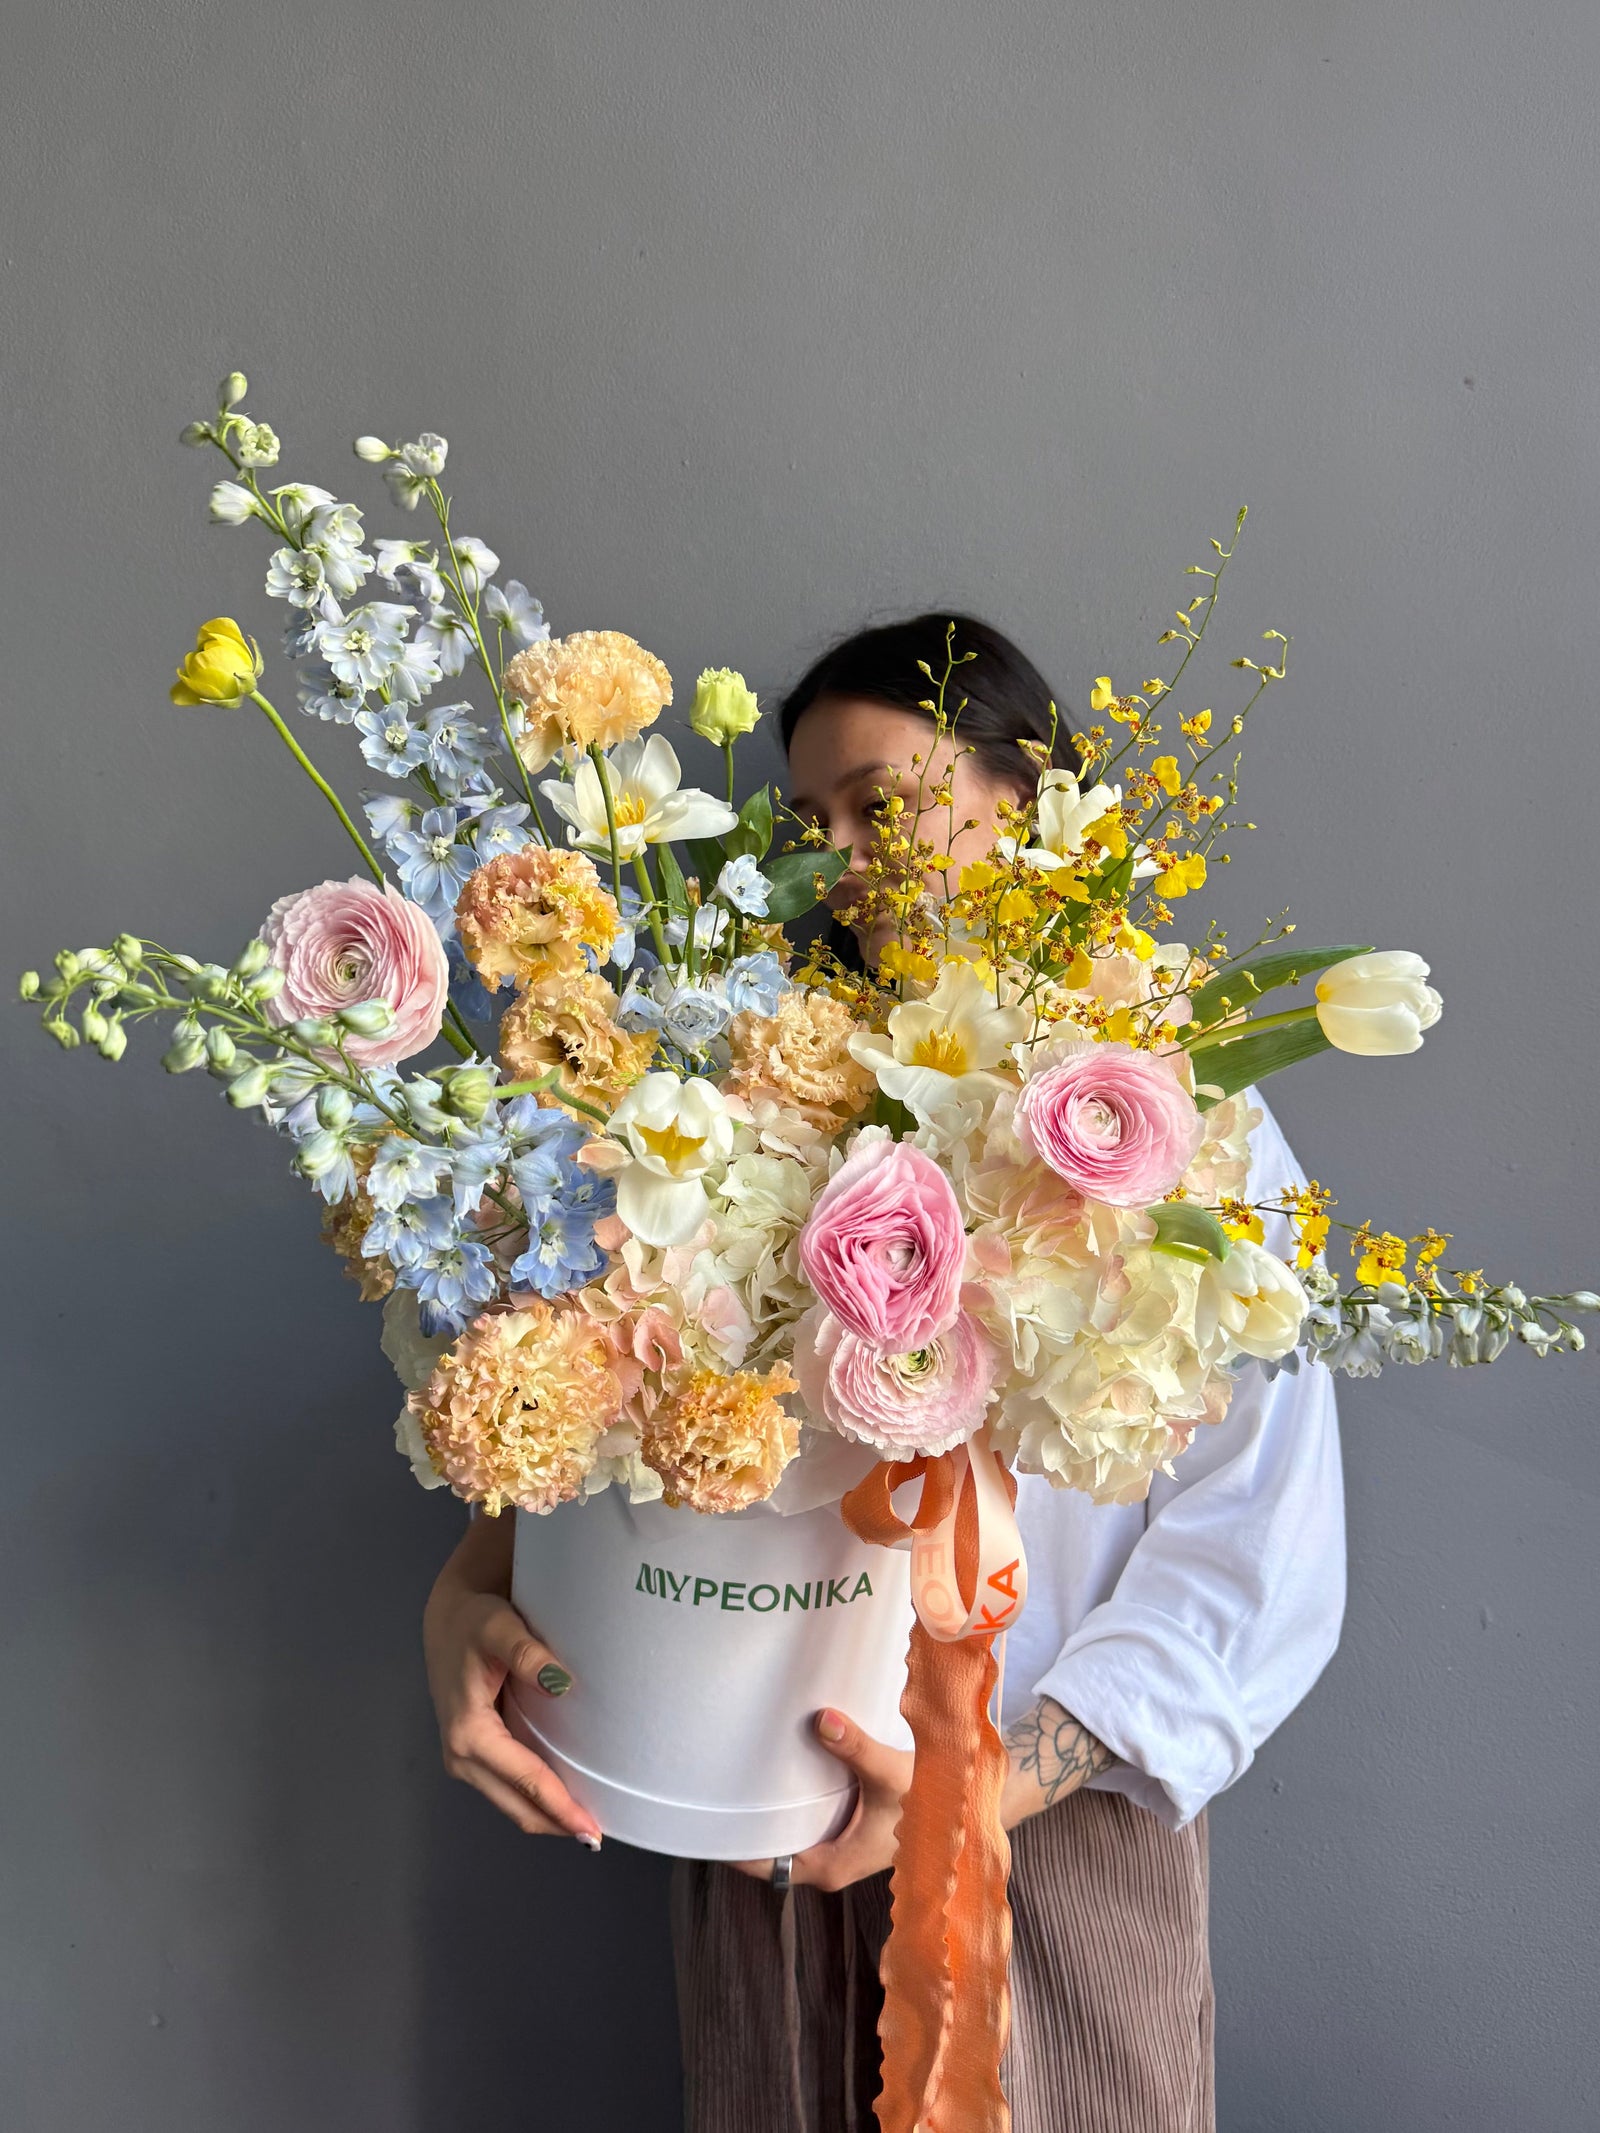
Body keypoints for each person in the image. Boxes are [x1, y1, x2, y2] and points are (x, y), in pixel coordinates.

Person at [423, 615, 1347, 2133]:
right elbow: (614, 1394)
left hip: (1053, 1855)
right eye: (809, 824)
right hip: (753, 1815)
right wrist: (470, 1584)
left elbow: (1261, 1544)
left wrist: (998, 1787)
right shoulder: (725, 1091)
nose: (842, 857)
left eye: (881, 804)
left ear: (1030, 793)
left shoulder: (1173, 1122)